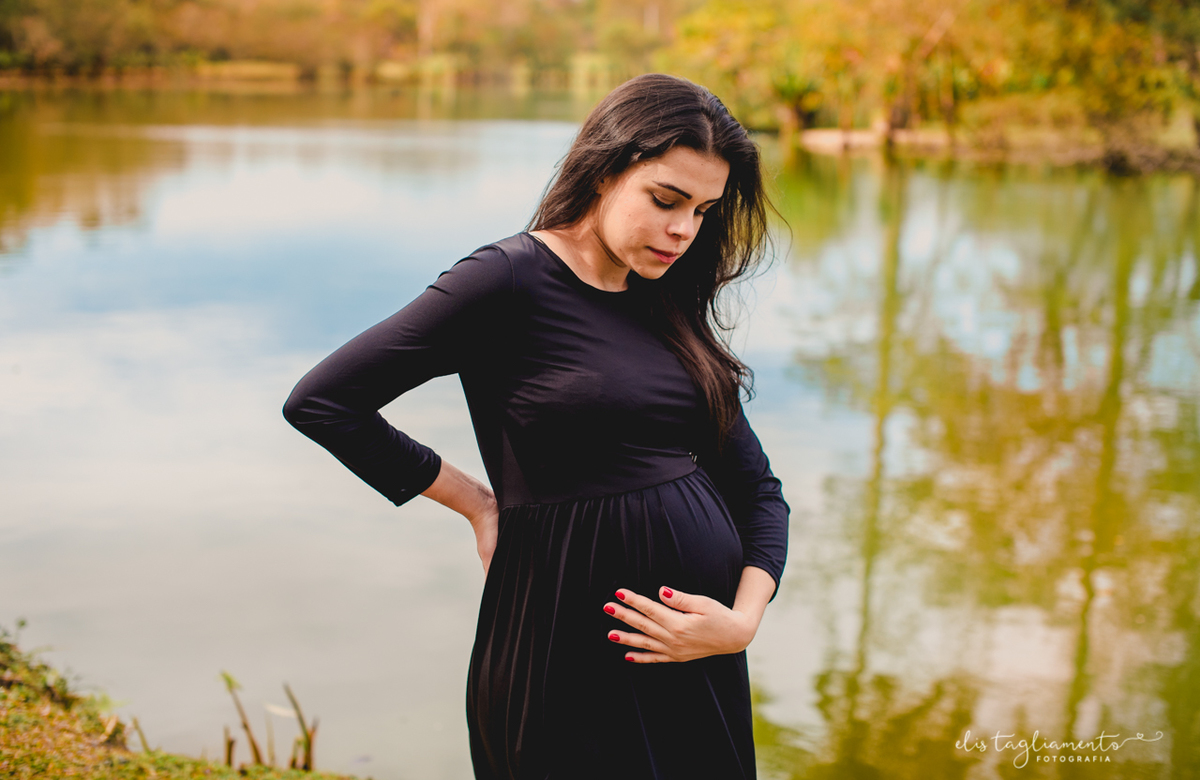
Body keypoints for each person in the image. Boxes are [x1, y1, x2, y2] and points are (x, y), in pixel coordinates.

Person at [283, 72, 790, 780]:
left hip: (696, 663)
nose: (683, 230)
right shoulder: (506, 281)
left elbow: (757, 489)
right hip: (564, 648)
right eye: (665, 200)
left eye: (703, 211)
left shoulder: (667, 301)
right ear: (606, 169)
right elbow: (325, 403)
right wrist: (475, 503)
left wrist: (739, 622)